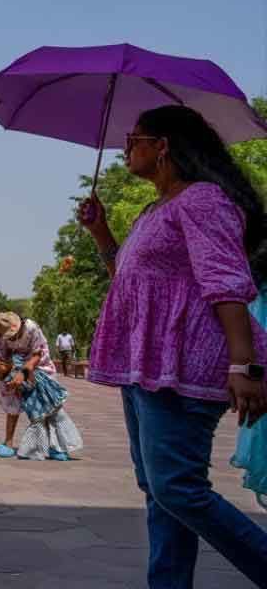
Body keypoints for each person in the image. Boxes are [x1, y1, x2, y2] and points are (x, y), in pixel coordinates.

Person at [79, 105, 267, 587]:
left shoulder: (202, 200)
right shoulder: (155, 210)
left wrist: (243, 364)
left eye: (133, 139)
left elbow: (227, 282)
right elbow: (129, 280)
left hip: (185, 361)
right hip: (147, 364)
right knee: (158, 491)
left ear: (162, 146)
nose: (125, 148)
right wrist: (101, 232)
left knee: (179, 489)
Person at [0, 313, 82, 460]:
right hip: (11, 366)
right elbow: (0, 356)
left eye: (12, 335)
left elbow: (38, 353)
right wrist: (11, 373)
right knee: (11, 398)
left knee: (48, 405)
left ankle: (56, 446)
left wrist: (24, 372)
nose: (10, 338)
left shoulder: (31, 328)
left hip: (37, 365)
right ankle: (8, 442)